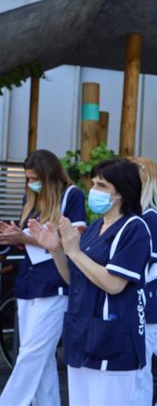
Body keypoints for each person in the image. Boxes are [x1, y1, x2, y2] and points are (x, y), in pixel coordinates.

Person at [28, 158, 151, 405]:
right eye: (94, 183)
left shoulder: (134, 228)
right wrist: (57, 251)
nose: (94, 190)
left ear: (122, 190)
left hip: (112, 341)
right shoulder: (96, 227)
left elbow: (114, 285)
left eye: (102, 185)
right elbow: (75, 280)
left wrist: (74, 251)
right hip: (82, 337)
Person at [0, 149, 86, 406]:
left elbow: (73, 238)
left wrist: (24, 237)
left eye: (34, 178)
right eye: (27, 178)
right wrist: (11, 236)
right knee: (42, 358)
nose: (30, 183)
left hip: (55, 283)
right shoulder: (34, 200)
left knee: (31, 354)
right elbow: (26, 239)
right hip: (29, 282)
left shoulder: (72, 196)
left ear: (48, 175)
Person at [128, 157, 157, 405]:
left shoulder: (151, 219)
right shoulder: (138, 215)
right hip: (132, 305)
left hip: (145, 305)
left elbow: (143, 266)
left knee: (139, 373)